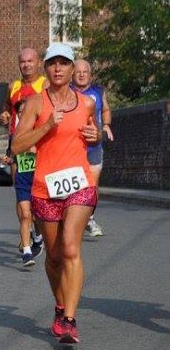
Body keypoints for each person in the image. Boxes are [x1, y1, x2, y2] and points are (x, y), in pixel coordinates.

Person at [11, 43, 100, 345]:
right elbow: (17, 146)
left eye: (64, 63)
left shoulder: (87, 103)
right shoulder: (35, 103)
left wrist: (96, 136)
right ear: (45, 68)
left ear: (73, 69)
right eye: (53, 63)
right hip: (45, 188)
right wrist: (47, 125)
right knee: (54, 257)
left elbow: (93, 134)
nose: (58, 68)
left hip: (79, 184)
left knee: (71, 249)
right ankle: (60, 307)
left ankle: (70, 321)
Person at [0, 47, 46, 267]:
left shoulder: (44, 85)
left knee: (39, 193)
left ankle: (39, 232)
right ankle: (27, 232)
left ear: (38, 63)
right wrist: (5, 115)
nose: (26, 65)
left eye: (30, 61)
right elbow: (7, 107)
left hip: (37, 143)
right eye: (22, 62)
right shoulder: (13, 87)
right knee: (20, 191)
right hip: (16, 143)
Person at [72, 59, 113, 237]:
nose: (81, 75)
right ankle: (73, 218)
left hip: (94, 146)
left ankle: (89, 217)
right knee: (74, 185)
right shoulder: (67, 91)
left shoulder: (98, 91)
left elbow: (106, 110)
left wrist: (106, 125)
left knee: (92, 185)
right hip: (73, 147)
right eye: (78, 72)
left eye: (85, 72)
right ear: (72, 74)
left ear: (90, 74)